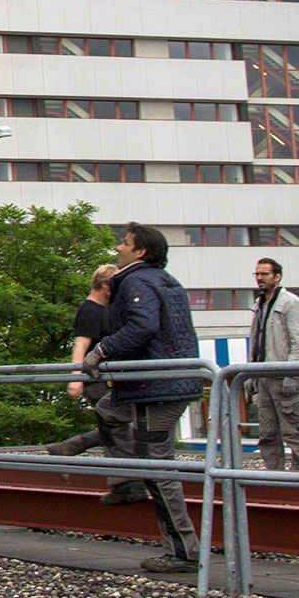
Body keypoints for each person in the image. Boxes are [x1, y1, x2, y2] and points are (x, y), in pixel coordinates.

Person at [84, 223, 206, 573]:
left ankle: (183, 550)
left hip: (155, 386)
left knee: (156, 464)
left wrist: (101, 351)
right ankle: (125, 472)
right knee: (110, 413)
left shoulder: (136, 282)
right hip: (166, 383)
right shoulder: (166, 281)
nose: (118, 248)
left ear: (140, 252)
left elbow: (142, 327)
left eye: (124, 243)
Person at [47, 264, 122, 459]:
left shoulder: (102, 310)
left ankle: (68, 448)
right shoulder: (90, 311)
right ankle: (69, 448)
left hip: (104, 377)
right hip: (96, 380)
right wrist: (76, 378)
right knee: (117, 425)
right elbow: (80, 345)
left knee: (118, 426)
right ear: (105, 285)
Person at [247, 257, 299, 471]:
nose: (259, 278)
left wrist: (292, 374)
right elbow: (257, 342)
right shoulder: (259, 304)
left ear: (277, 276)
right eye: (257, 274)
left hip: (284, 378)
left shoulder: (290, 303)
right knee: (267, 434)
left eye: (264, 274)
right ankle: (273, 476)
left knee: (294, 431)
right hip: (264, 377)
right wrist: (252, 374)